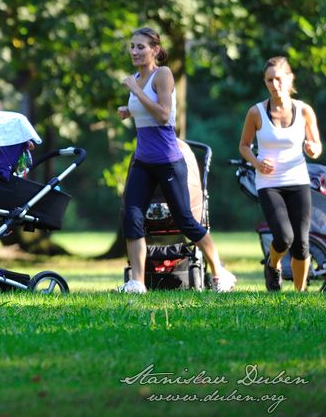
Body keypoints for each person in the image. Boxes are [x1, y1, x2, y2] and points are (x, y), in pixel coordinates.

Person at [116, 26, 236, 293]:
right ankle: (137, 282)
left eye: (140, 47)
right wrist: (129, 111)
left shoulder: (163, 74)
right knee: (132, 217)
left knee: (186, 221)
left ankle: (220, 273)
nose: (134, 51)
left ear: (155, 50)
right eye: (132, 46)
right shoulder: (137, 78)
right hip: (143, 161)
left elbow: (163, 115)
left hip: (168, 161)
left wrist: (135, 90)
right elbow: (146, 110)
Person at [239, 56, 321, 291]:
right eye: (269, 80)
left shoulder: (304, 110)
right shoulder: (256, 112)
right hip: (269, 183)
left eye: (278, 79)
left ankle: (299, 293)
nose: (274, 85)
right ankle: (272, 265)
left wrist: (312, 149)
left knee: (301, 244)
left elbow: (316, 146)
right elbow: (244, 146)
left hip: (298, 180)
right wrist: (257, 163)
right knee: (284, 238)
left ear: (289, 79)